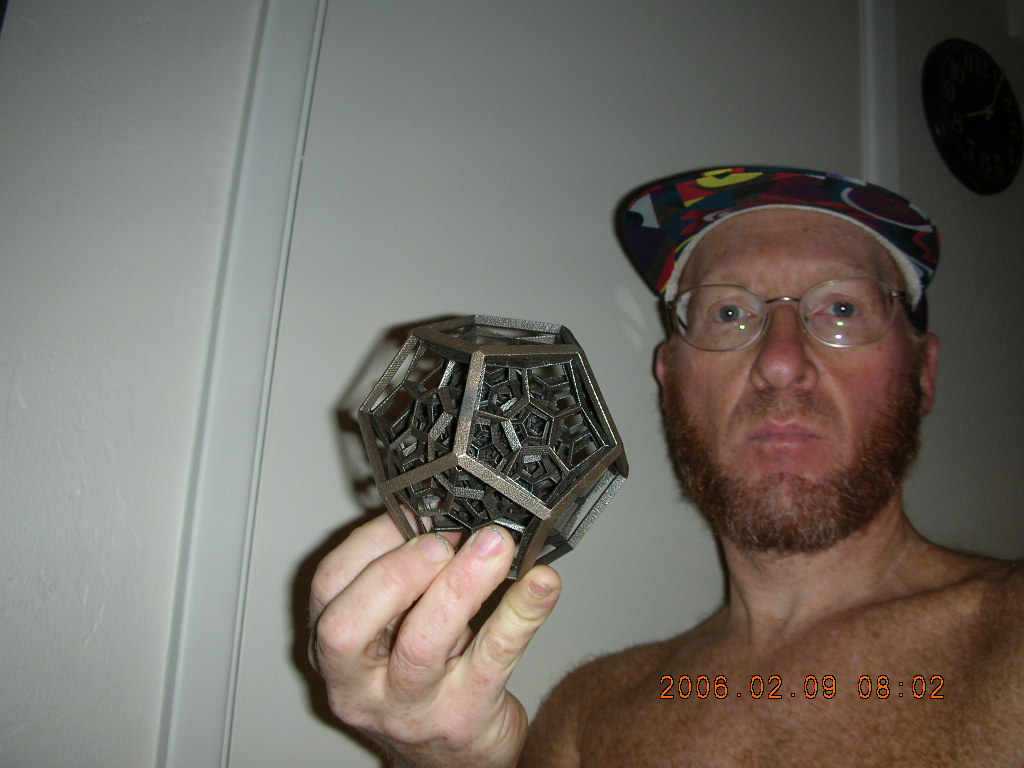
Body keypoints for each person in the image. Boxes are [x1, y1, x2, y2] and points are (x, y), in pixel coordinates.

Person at [309, 167, 1023, 767]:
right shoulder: (587, 719)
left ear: (923, 373)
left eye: (841, 307)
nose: (780, 362)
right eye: (728, 313)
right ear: (668, 376)